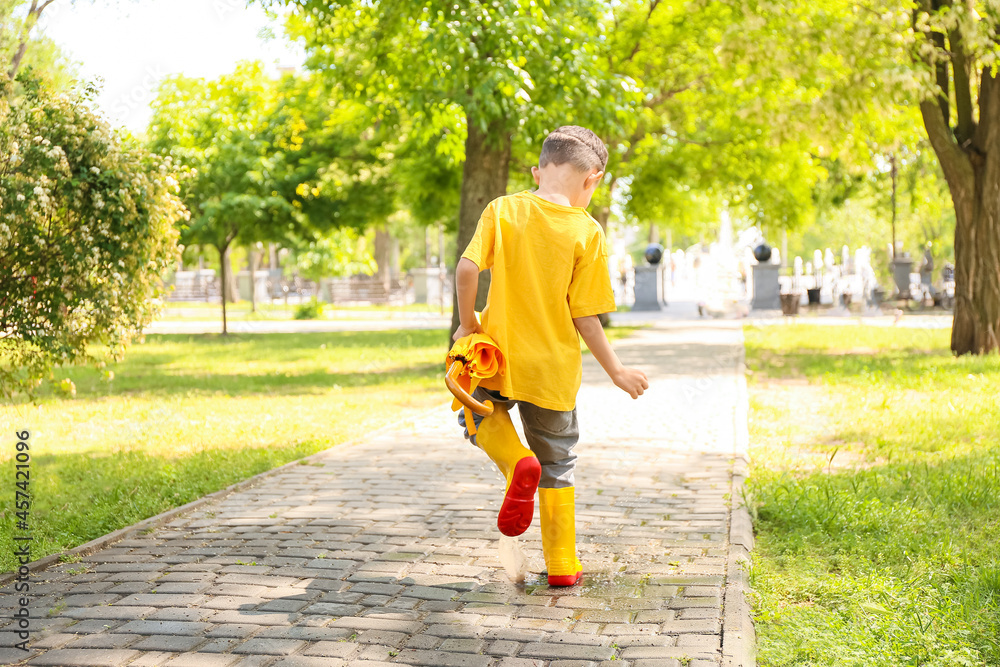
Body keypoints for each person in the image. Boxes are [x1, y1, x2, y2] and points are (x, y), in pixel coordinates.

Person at [452, 125, 649, 587]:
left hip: (495, 356)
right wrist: (616, 371)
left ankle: (515, 460)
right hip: (554, 371)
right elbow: (585, 316)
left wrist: (466, 323)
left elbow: (466, 268)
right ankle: (561, 566)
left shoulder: (503, 210)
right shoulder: (587, 231)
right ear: (593, 179)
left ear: (538, 171)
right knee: (557, 462)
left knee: (476, 414)